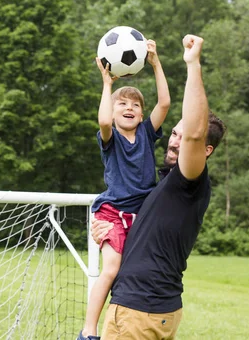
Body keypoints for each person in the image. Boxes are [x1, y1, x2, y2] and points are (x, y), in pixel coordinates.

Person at [90, 34, 227, 339]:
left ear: (205, 151)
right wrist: (104, 226)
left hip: (141, 312)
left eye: (185, 136)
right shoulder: (162, 183)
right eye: (174, 133)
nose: (176, 138)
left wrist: (190, 65)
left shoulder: (187, 179)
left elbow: (185, 124)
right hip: (135, 306)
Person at [78, 39, 171, 340]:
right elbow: (104, 119)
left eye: (135, 105)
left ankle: (120, 326)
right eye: (123, 103)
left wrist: (156, 63)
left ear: (142, 115)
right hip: (112, 213)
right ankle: (88, 331)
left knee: (131, 276)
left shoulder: (146, 133)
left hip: (142, 217)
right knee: (112, 268)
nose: (129, 107)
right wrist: (107, 85)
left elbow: (166, 104)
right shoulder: (110, 139)